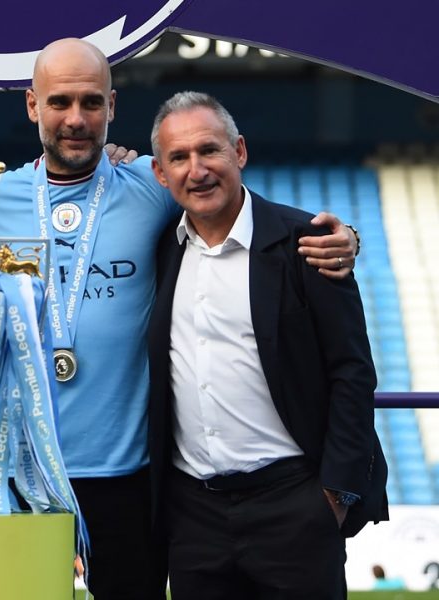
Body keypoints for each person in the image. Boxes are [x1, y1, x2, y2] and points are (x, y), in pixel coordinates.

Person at [0, 38, 359, 598]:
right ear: (33, 106)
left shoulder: (152, 190)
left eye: (92, 102)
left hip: (129, 481)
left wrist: (347, 239)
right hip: (18, 474)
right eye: (60, 103)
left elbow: (247, 210)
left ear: (112, 106)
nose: (76, 119)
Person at [146, 91, 387, 598]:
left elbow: (353, 371)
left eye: (209, 150)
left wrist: (334, 495)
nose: (198, 170)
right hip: (194, 516)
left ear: (240, 151)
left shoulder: (308, 243)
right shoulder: (159, 247)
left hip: (295, 505)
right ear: (160, 174)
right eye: (179, 158)